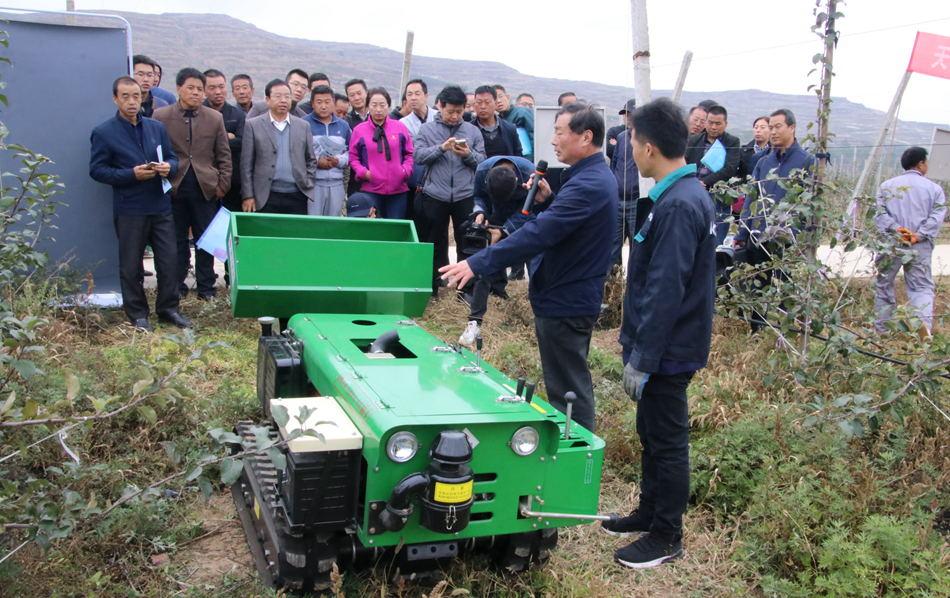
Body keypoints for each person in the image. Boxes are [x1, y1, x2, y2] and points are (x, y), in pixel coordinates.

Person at [439, 102, 616, 434]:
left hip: (567, 296)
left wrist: (477, 262)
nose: (553, 140)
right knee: (565, 380)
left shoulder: (588, 184)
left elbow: (540, 233)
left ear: (586, 136)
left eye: (560, 132)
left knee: (569, 388)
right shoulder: (588, 177)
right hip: (565, 292)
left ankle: (578, 448)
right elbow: (563, 224)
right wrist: (549, 200)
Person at [603, 97, 715, 570]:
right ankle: (649, 512)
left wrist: (644, 358)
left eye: (631, 141)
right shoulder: (674, 196)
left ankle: (667, 535)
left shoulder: (680, 204)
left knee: (668, 443)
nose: (630, 151)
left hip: (669, 350)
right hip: (661, 347)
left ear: (647, 147)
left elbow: (666, 290)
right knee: (650, 433)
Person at [89, 76, 190, 330]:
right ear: (115, 99)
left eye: (136, 96)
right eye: (125, 96)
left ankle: (168, 308)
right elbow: (97, 170)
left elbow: (172, 158)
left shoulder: (156, 128)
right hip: (130, 207)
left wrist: (168, 167)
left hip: (160, 204)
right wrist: (131, 174)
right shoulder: (104, 132)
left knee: (169, 260)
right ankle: (137, 314)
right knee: (131, 264)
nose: (132, 101)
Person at [153, 68, 232, 300]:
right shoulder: (161, 116)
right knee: (176, 240)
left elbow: (224, 155)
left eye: (200, 89)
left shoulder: (214, 118)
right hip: (174, 188)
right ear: (179, 88)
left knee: (205, 241)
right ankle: (177, 285)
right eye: (191, 88)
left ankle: (206, 287)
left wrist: (222, 186)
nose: (196, 93)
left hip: (206, 188)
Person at [734, 108, 814, 332]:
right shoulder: (764, 162)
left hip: (788, 238)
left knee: (786, 288)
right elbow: (752, 198)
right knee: (758, 285)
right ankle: (757, 332)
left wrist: (798, 234)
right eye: (771, 127)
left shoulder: (806, 162)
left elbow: (810, 204)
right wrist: (743, 232)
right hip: (759, 236)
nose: (773, 132)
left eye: (778, 126)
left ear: (792, 127)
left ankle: (783, 334)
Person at [457, 155, 539, 346]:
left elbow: (531, 210)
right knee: (487, 259)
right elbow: (479, 196)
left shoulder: (530, 174)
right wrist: (480, 212)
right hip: (495, 215)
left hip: (523, 215)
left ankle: (540, 316)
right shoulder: (482, 170)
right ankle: (475, 321)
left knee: (534, 262)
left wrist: (505, 231)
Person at [415, 86, 486, 294]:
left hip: (465, 194)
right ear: (440, 106)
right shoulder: (427, 130)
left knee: (467, 241)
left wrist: (468, 154)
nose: (455, 116)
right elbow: (418, 156)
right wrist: (441, 148)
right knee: (435, 241)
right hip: (435, 194)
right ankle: (435, 285)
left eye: (459, 111)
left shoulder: (472, 131)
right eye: (450, 111)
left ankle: (466, 289)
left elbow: (483, 162)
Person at [874, 147, 946, 335]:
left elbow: (880, 214)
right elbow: (937, 216)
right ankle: (923, 327)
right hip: (919, 245)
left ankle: (883, 330)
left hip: (891, 243)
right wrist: (918, 235)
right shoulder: (934, 189)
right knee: (921, 287)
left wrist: (897, 229)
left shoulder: (886, 186)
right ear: (921, 163)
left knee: (884, 284)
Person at [241, 79, 317, 214]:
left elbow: (310, 159)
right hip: (265, 194)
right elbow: (246, 164)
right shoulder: (253, 125)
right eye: (278, 96)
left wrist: (308, 182)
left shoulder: (303, 126)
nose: (283, 100)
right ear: (267, 100)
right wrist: (248, 195)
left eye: (287, 96)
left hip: (297, 194)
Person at [347, 87, 414, 219]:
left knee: (395, 226)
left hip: (398, 190)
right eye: (374, 105)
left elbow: (409, 153)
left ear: (388, 106)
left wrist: (405, 171)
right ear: (368, 107)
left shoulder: (400, 127)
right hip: (370, 189)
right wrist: (364, 173)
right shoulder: (359, 130)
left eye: (382, 105)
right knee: (373, 226)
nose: (378, 109)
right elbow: (353, 157)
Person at [684, 104, 741, 245]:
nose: (713, 127)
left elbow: (730, 168)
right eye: (710, 123)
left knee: (715, 238)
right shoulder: (694, 140)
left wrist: (705, 182)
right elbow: (684, 163)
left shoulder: (732, 142)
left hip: (718, 195)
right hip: (694, 193)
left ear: (725, 124)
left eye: (718, 124)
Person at [203, 69, 246, 215]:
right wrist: (226, 137)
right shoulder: (199, 113)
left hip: (232, 180)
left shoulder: (237, 114)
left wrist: (214, 139)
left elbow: (241, 142)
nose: (218, 92)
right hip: (205, 178)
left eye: (221, 87)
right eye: (212, 87)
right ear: (204, 90)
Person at [304, 85, 351, 217]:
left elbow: (351, 152)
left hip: (337, 183)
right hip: (313, 184)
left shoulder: (343, 126)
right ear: (312, 104)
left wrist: (338, 161)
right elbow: (298, 152)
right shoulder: (304, 124)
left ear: (333, 103)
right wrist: (316, 161)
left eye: (327, 102)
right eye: (319, 102)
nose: (323, 106)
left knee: (333, 223)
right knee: (312, 222)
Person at [609, 102, 639, 267]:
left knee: (637, 246)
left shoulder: (648, 139)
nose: (628, 118)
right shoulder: (621, 137)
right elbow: (614, 164)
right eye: (626, 114)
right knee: (613, 245)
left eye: (631, 114)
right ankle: (614, 279)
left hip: (637, 201)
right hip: (618, 200)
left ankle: (633, 280)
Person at [472, 85, 523, 159]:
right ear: (474, 105)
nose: (483, 106)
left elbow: (519, 157)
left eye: (487, 102)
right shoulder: (469, 129)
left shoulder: (510, 129)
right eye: (479, 102)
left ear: (495, 103)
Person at [494, 84, 534, 162]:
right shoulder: (497, 120)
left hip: (526, 160)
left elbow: (534, 136)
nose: (498, 101)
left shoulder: (522, 113)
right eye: (494, 98)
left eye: (500, 96)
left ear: (507, 97)